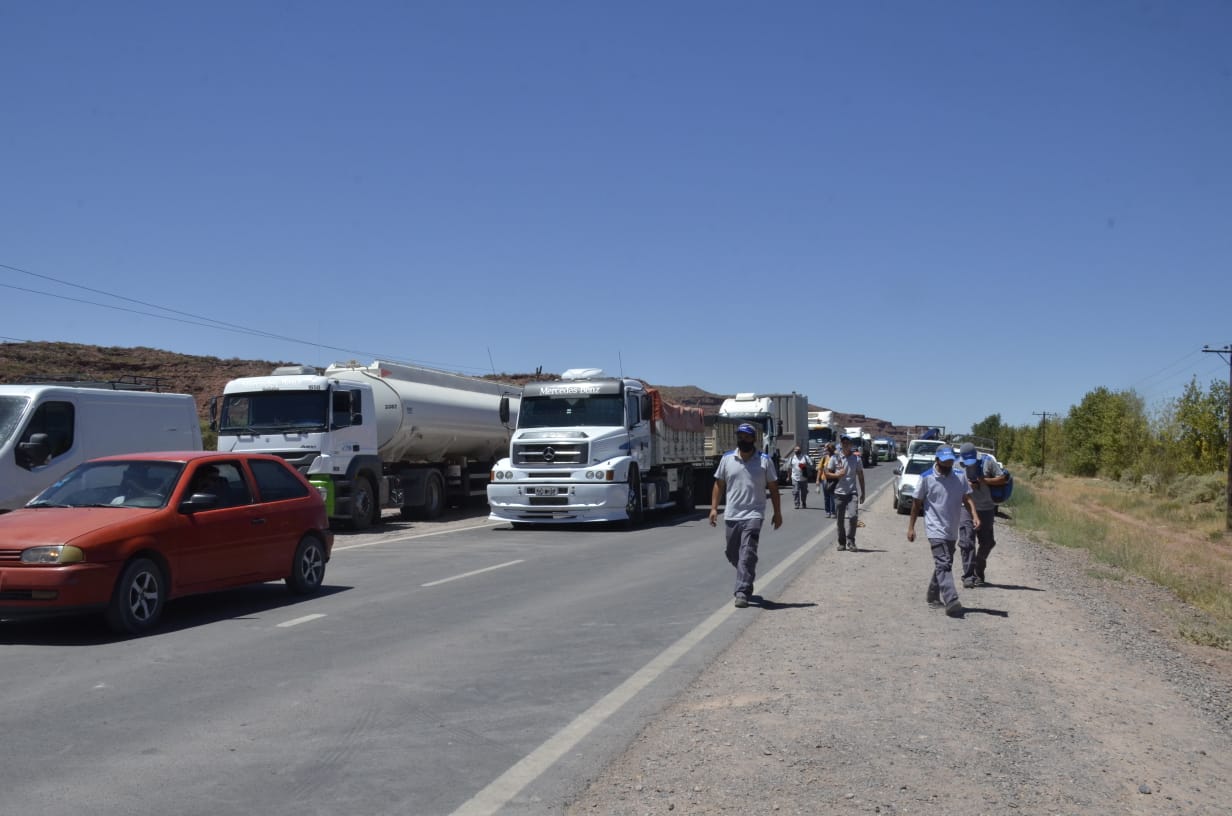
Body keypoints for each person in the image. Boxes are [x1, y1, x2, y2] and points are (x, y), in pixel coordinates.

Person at [709, 422, 783, 608]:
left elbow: (773, 488)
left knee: (747, 552)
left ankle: (741, 591)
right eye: (740, 436)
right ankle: (747, 572)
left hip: (754, 514)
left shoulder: (765, 460)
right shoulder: (727, 459)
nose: (743, 440)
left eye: (747, 436)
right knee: (732, 553)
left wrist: (778, 512)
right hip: (732, 514)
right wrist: (713, 508)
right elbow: (719, 484)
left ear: (754, 439)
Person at [907, 446, 979, 617]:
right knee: (943, 563)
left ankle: (932, 595)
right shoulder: (926, 478)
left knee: (945, 563)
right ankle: (951, 599)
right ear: (937, 459)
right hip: (934, 528)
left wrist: (974, 514)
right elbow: (916, 504)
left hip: (951, 528)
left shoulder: (960, 476)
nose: (948, 464)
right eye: (945, 461)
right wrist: (911, 527)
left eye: (950, 461)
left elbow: (967, 498)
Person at [956, 442, 1009, 588]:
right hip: (965, 508)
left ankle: (978, 569)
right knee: (967, 542)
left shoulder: (988, 462)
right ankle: (968, 576)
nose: (968, 464)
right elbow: (953, 484)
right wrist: (966, 485)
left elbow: (1003, 479)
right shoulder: (957, 466)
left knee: (987, 543)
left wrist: (983, 480)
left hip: (986, 508)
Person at [827, 435, 866, 551]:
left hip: (852, 493)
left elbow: (861, 476)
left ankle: (851, 540)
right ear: (841, 444)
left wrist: (863, 492)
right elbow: (827, 474)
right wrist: (836, 475)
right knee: (839, 520)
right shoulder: (835, 458)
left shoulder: (856, 459)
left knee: (853, 516)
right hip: (839, 493)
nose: (845, 444)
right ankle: (842, 542)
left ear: (851, 445)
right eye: (843, 442)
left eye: (847, 443)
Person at [784, 445, 813, 509]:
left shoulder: (805, 457)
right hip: (795, 477)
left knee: (804, 492)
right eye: (795, 450)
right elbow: (789, 468)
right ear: (794, 451)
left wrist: (805, 466)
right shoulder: (792, 458)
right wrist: (788, 477)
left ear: (800, 450)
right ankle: (796, 504)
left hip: (804, 478)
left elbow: (811, 465)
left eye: (798, 450)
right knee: (796, 491)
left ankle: (803, 502)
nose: (797, 451)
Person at [816, 441, 838, 516]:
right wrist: (817, 480)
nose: (829, 450)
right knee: (826, 497)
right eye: (828, 449)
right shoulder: (825, 458)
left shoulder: (836, 457)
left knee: (833, 496)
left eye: (831, 449)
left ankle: (833, 512)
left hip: (833, 479)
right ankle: (827, 511)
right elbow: (820, 469)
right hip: (824, 479)